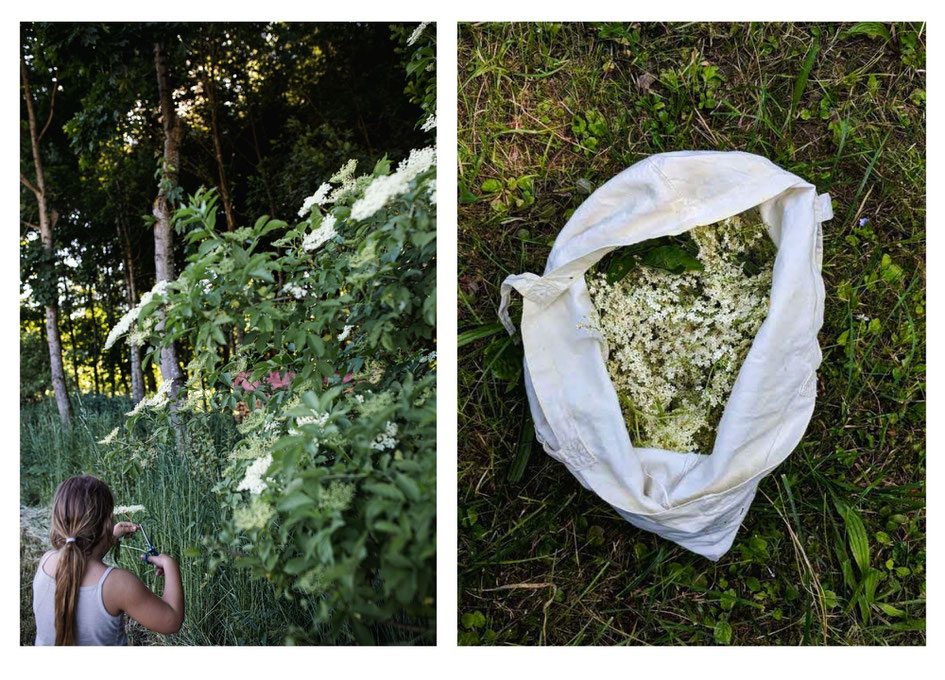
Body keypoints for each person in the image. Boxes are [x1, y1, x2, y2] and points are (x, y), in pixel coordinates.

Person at [32, 475, 184, 645]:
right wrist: (170, 565)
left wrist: (109, 537)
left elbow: (82, 556)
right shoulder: (118, 584)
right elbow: (171, 621)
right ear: (108, 521)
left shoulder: (46, 561)